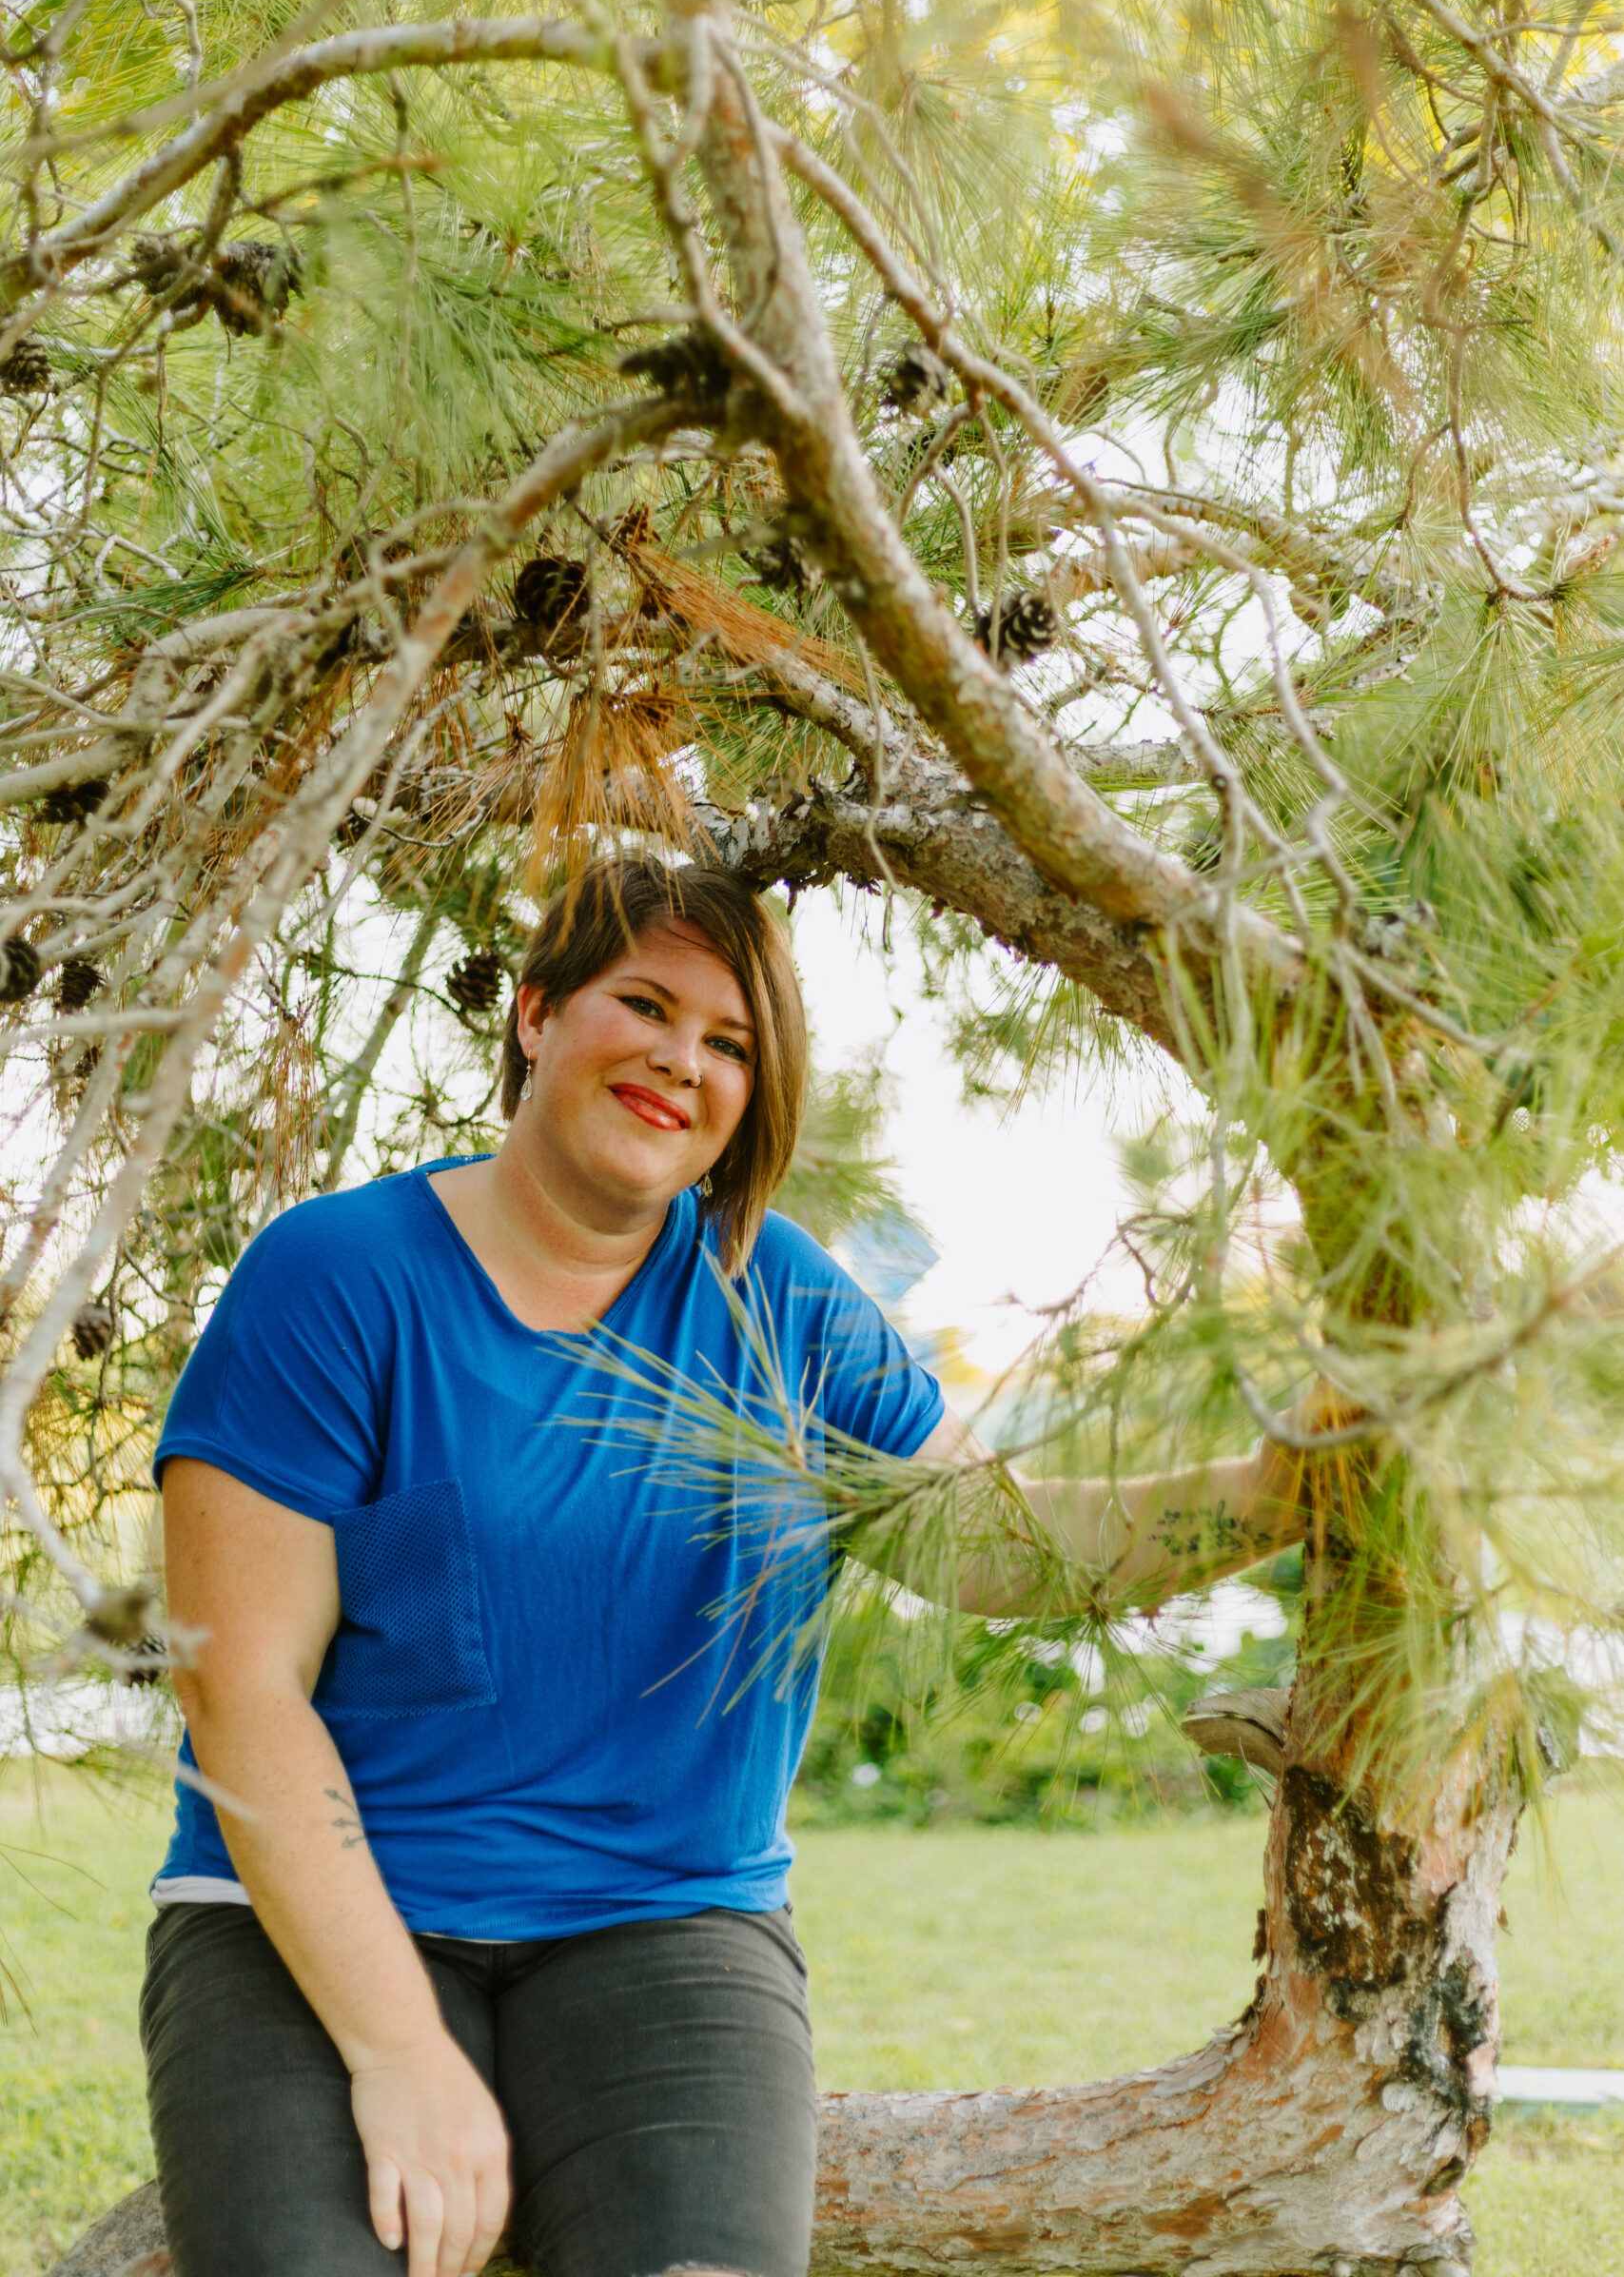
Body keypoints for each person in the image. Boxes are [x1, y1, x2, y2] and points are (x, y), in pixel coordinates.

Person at [144, 854, 1305, 2277]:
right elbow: (242, 1690)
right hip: (309, 1919)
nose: (680, 1061)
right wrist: (400, 2056)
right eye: (644, 1004)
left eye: (731, 1043)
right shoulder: (333, 1278)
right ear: (534, 1012)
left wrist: (1279, 1490)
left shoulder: (785, 1303)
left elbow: (1004, 1546)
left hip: (661, 1918)